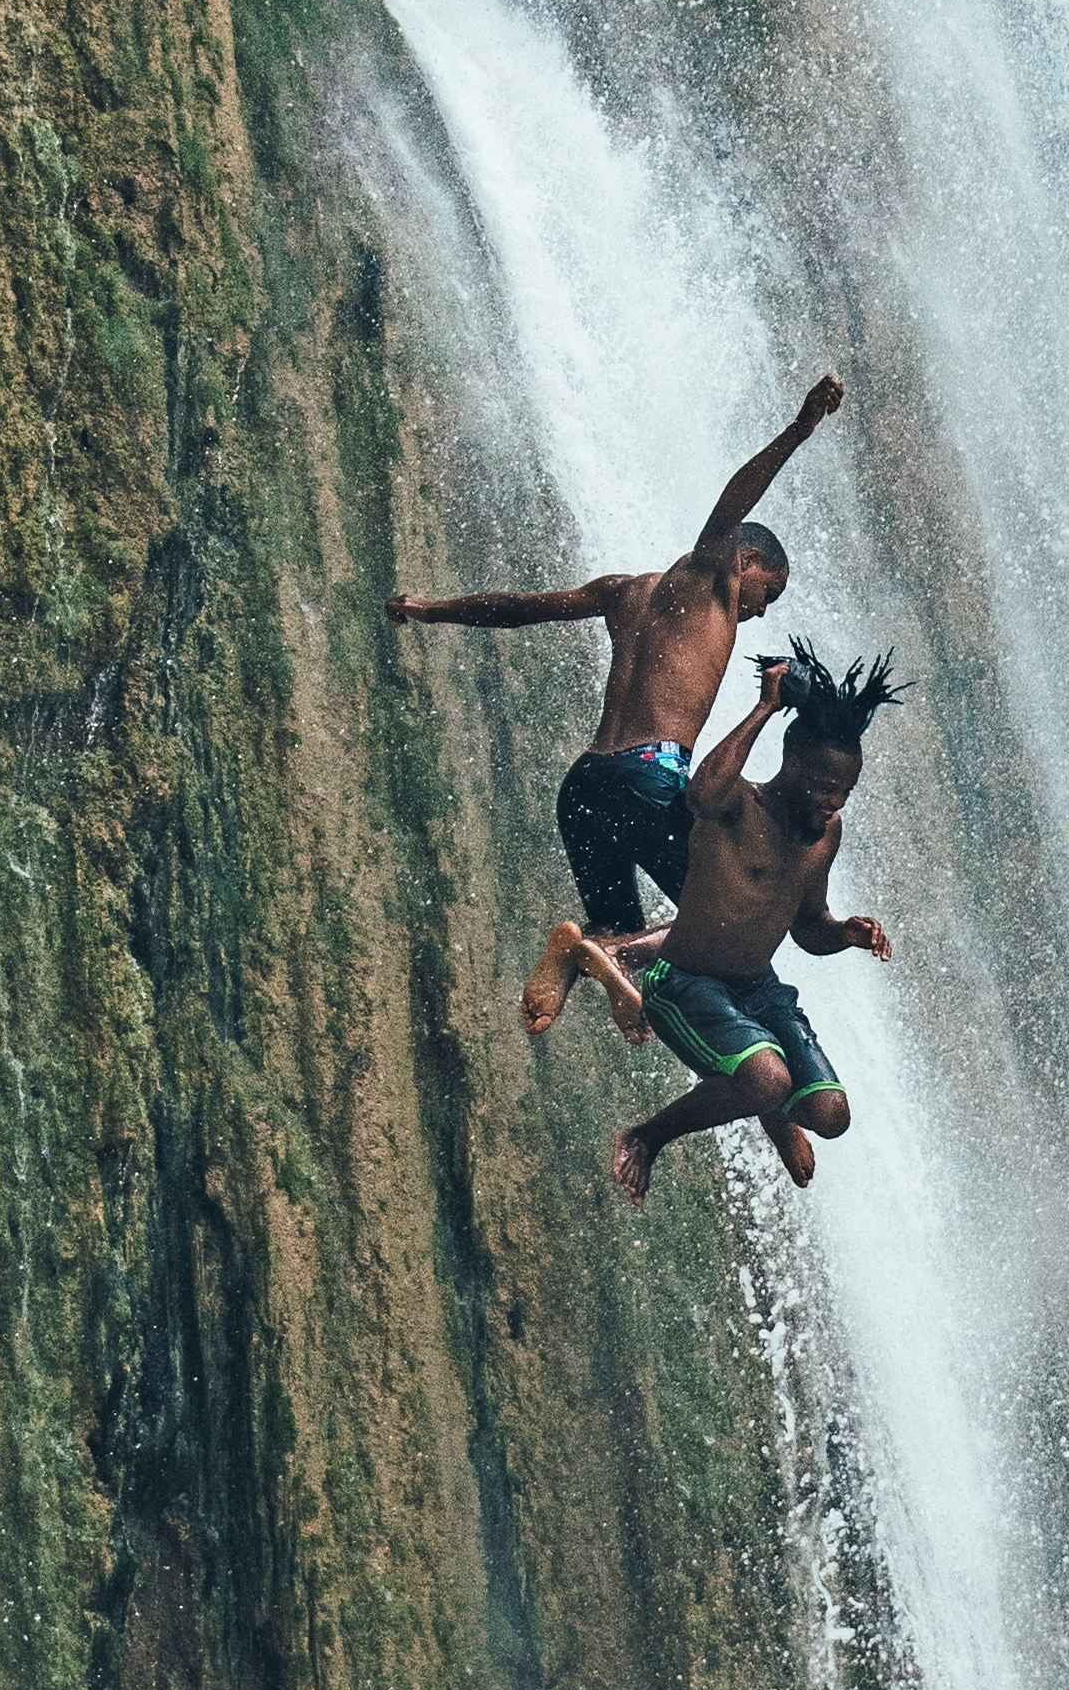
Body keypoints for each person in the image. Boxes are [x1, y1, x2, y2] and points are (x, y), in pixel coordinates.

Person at [387, 373, 843, 1041]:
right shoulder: (712, 579)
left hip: (585, 787)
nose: (764, 608)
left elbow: (519, 610)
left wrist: (431, 611)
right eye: (767, 589)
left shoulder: (624, 591)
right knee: (733, 915)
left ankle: (583, 958)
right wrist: (800, 429)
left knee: (620, 950)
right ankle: (602, 962)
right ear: (744, 560)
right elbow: (730, 505)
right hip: (647, 780)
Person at [603, 643, 902, 1203]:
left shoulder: (824, 834)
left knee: (830, 1113)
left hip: (758, 992)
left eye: (847, 792)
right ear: (795, 768)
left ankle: (771, 1107)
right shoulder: (738, 805)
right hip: (685, 983)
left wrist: (845, 934)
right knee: (767, 1079)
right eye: (827, 788)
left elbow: (808, 929)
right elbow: (700, 790)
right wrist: (765, 707)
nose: (836, 803)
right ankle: (647, 1137)